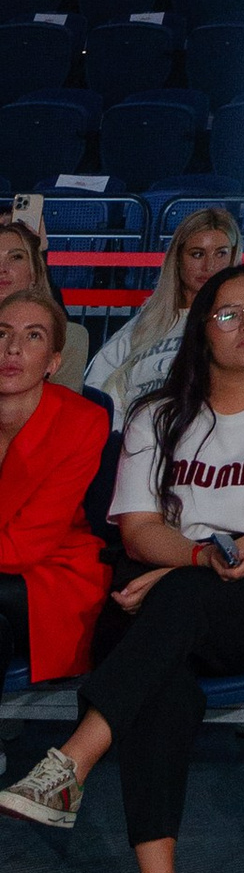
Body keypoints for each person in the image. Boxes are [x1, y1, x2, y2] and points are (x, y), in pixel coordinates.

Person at [0, 266, 244, 873]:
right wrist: (189, 563)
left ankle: (74, 759)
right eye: (228, 314)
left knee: (175, 605)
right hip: (162, 583)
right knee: (164, 680)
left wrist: (202, 567)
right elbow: (138, 529)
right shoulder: (157, 414)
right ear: (200, 329)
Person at [0, 277, 112, 690]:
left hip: (54, 575)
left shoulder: (82, 422)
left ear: (53, 361)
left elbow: (24, 549)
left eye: (33, 336)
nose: (12, 349)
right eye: (2, 333)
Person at [82, 209, 240, 429]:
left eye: (220, 253)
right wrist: (123, 436)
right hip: (134, 443)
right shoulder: (144, 324)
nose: (209, 266)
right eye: (197, 254)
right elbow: (98, 389)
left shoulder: (241, 326)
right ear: (177, 259)